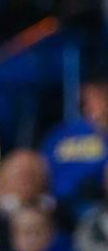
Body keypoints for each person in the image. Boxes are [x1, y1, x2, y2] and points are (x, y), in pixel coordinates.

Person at [43, 74, 108, 204]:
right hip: (55, 205)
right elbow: (41, 167)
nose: (93, 103)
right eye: (89, 97)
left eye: (100, 96)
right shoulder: (62, 132)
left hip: (100, 202)